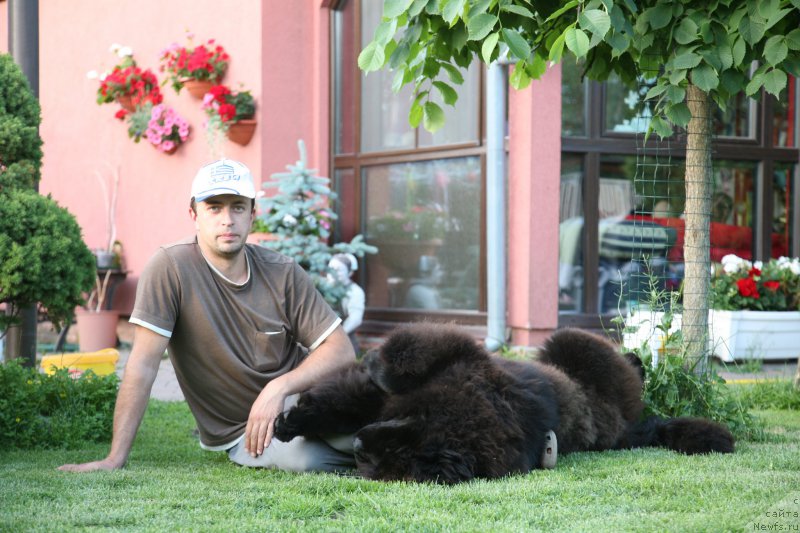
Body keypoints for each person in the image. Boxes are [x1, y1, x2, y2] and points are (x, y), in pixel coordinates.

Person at [59, 159, 356, 473]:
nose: (227, 220)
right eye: (214, 208)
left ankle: (387, 449)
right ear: (194, 215)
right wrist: (113, 459)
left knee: (350, 432)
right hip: (241, 431)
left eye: (238, 207)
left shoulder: (282, 271)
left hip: (303, 399)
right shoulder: (170, 269)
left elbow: (340, 349)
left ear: (253, 215)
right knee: (309, 461)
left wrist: (278, 388)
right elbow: (143, 366)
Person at [327, 253, 365, 353]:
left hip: (345, 343)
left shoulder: (355, 291)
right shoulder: (323, 288)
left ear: (350, 272)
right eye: (331, 269)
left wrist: (338, 336)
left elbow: (355, 319)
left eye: (339, 270)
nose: (334, 273)